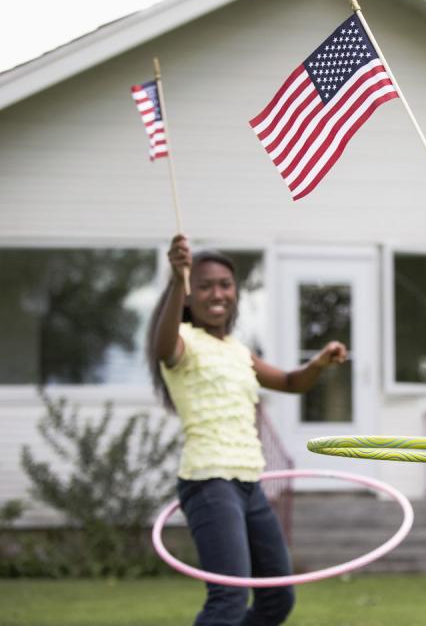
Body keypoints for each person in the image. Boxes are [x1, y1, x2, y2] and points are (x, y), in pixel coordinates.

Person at [147, 234, 348, 626]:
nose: (217, 293)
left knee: (277, 600)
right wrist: (176, 278)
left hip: (249, 482)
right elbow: (162, 347)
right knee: (228, 598)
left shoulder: (238, 351)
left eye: (225, 284)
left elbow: (291, 382)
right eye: (203, 286)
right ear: (188, 297)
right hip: (209, 481)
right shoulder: (182, 342)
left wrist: (320, 364)